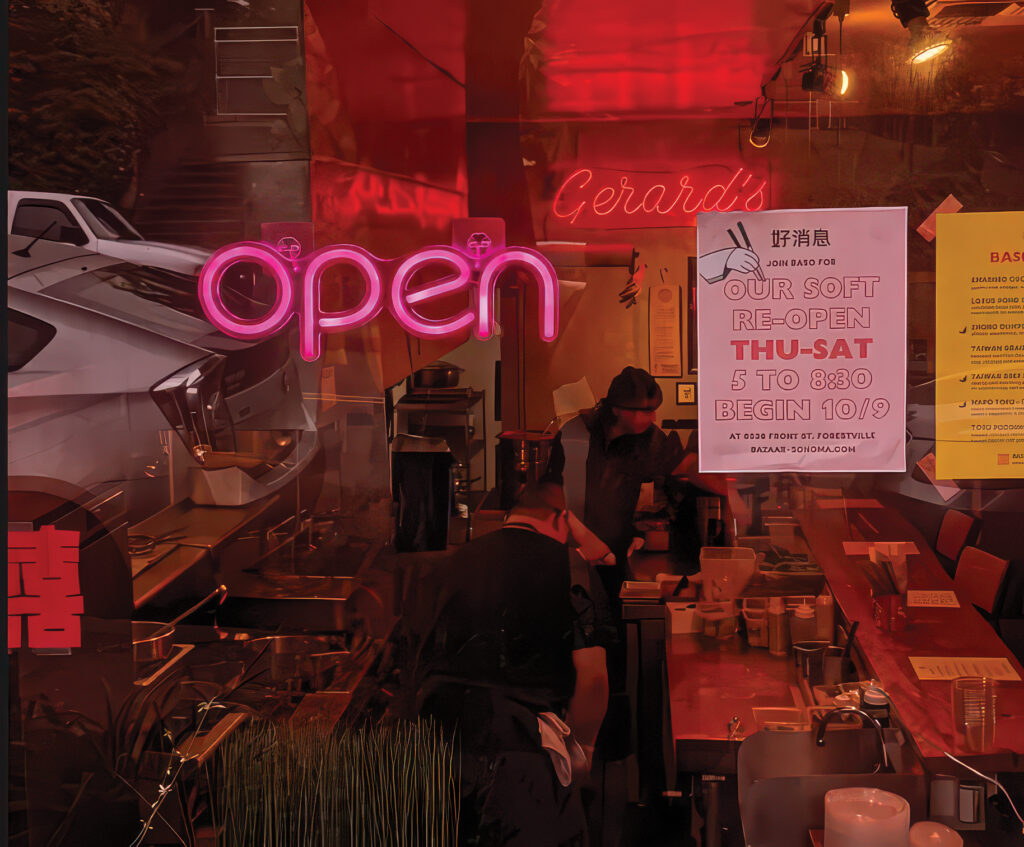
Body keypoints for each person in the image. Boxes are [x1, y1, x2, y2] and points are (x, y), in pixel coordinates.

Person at [391, 482, 610, 847]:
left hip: (433, 745)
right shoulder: (570, 567)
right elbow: (593, 677)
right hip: (518, 751)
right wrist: (583, 751)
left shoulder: (449, 564)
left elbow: (412, 656)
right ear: (560, 522)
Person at [545, 366, 727, 608]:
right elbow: (553, 497)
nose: (652, 418)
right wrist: (585, 540)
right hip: (568, 551)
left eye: (653, 410)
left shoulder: (649, 440)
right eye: (645, 411)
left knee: (616, 625)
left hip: (614, 553)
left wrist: (728, 489)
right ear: (618, 408)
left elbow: (684, 466)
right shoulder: (576, 434)